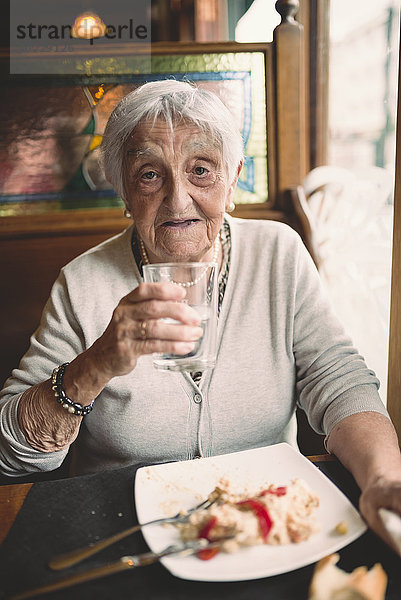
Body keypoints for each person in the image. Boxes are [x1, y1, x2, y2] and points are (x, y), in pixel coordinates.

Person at [1, 80, 401, 554]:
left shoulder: (279, 254)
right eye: (150, 174)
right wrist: (97, 364)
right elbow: (10, 457)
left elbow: (338, 379)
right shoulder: (82, 283)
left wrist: (382, 480)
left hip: (259, 525)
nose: (177, 199)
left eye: (201, 170)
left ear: (233, 180)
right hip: (122, 534)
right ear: (124, 192)